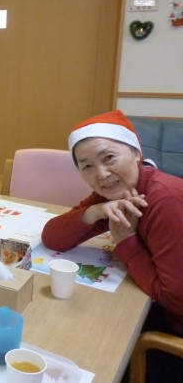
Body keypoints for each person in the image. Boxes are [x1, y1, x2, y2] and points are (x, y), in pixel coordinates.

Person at [41, 110, 183, 382]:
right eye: (87, 166)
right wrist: (93, 212)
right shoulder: (116, 193)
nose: (102, 174)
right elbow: (52, 237)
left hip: (173, 334)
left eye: (109, 158)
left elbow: (177, 300)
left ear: (137, 153)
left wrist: (126, 241)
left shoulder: (164, 201)